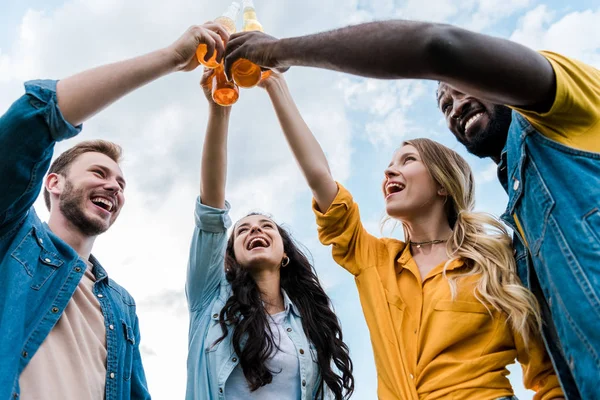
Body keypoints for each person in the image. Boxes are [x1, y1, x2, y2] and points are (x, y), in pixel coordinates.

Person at [222, 22, 599, 399]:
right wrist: (275, 85)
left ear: (441, 182)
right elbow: (320, 177)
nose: (390, 170)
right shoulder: (374, 259)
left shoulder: (500, 261)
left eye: (408, 160)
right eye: (445, 104)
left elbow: (548, 377)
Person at [0, 22, 229, 400]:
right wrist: (171, 58)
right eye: (99, 173)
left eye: (121, 184)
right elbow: (31, 120)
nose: (114, 187)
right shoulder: (13, 238)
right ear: (53, 183)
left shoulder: (121, 305)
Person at [184, 68, 354, 400]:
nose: (255, 230)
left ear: (284, 253)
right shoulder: (210, 300)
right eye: (243, 230)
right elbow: (211, 214)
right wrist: (220, 108)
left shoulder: (307, 321)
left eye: (266, 227)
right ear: (229, 258)